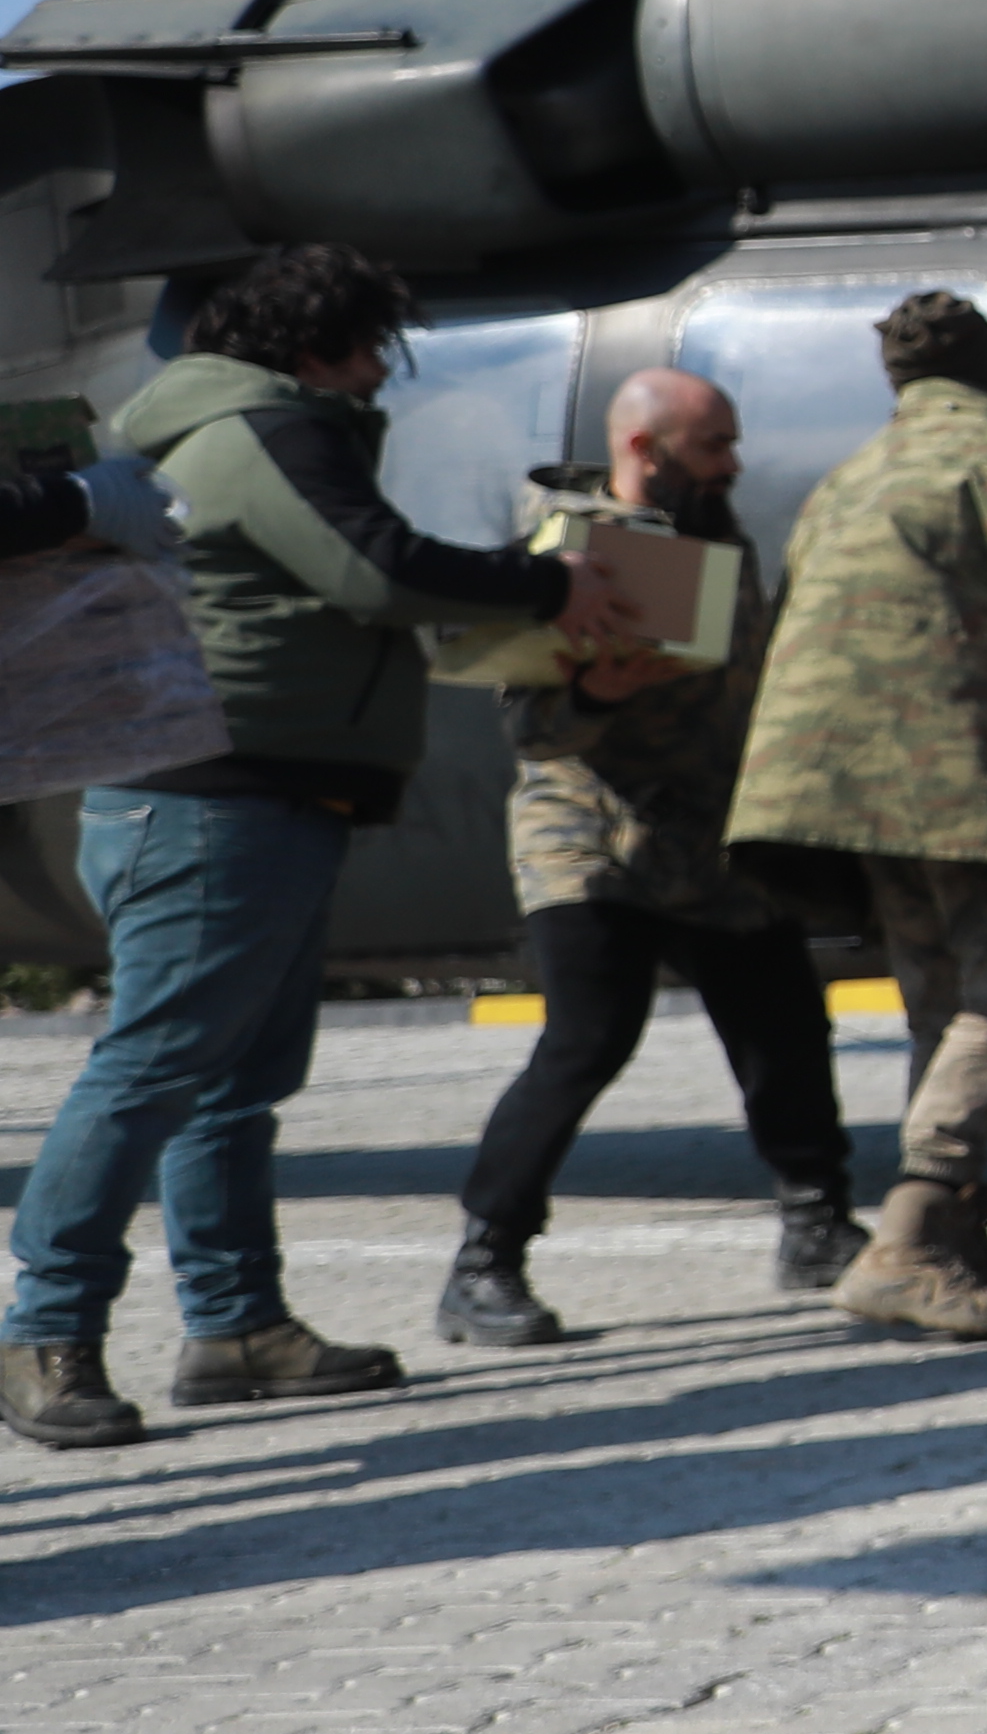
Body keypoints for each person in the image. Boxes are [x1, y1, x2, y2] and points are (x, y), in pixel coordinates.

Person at [7, 240, 601, 1442]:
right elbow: (372, 571)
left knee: (233, 1082)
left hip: (245, 791)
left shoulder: (236, 426)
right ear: (311, 344)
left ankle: (236, 1328)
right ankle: (44, 1331)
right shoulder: (273, 428)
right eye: (371, 344)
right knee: (157, 1068)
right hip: (219, 792)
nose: (382, 371)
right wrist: (546, 587)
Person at [727, 292, 987, 1349]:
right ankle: (910, 1239)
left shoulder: (850, 476)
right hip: (977, 784)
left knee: (942, 1007)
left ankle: (961, 1231)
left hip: (843, 789)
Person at [448, 365, 861, 1341]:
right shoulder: (572, 552)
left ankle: (816, 1222)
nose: (733, 463)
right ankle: (481, 1264)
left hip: (710, 839)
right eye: (713, 445)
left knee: (784, 1025)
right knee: (588, 1039)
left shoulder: (718, 535)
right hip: (591, 837)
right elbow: (530, 725)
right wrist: (599, 696)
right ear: (646, 449)